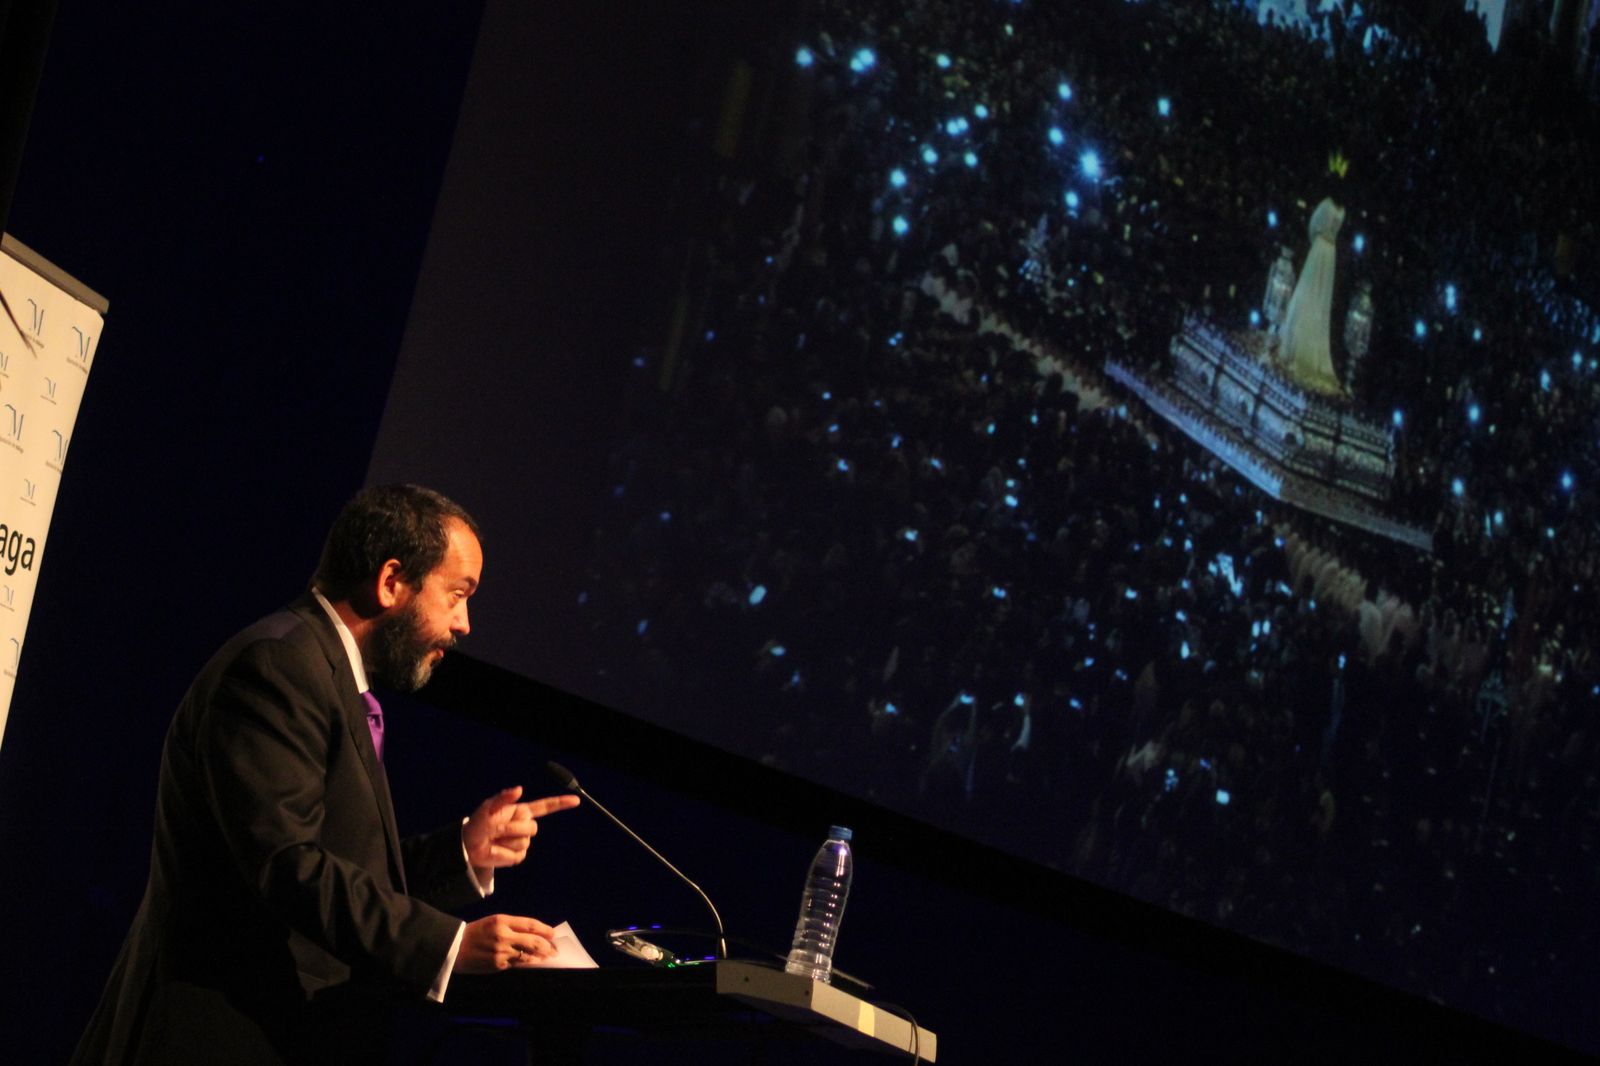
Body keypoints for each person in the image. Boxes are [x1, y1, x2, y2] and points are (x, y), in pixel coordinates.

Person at [71, 484, 579, 1066]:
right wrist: (451, 944)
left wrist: (462, 852)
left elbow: (347, 868)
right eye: (457, 595)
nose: (464, 624)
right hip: (214, 1033)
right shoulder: (278, 667)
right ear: (391, 582)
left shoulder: (323, 671)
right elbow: (289, 866)